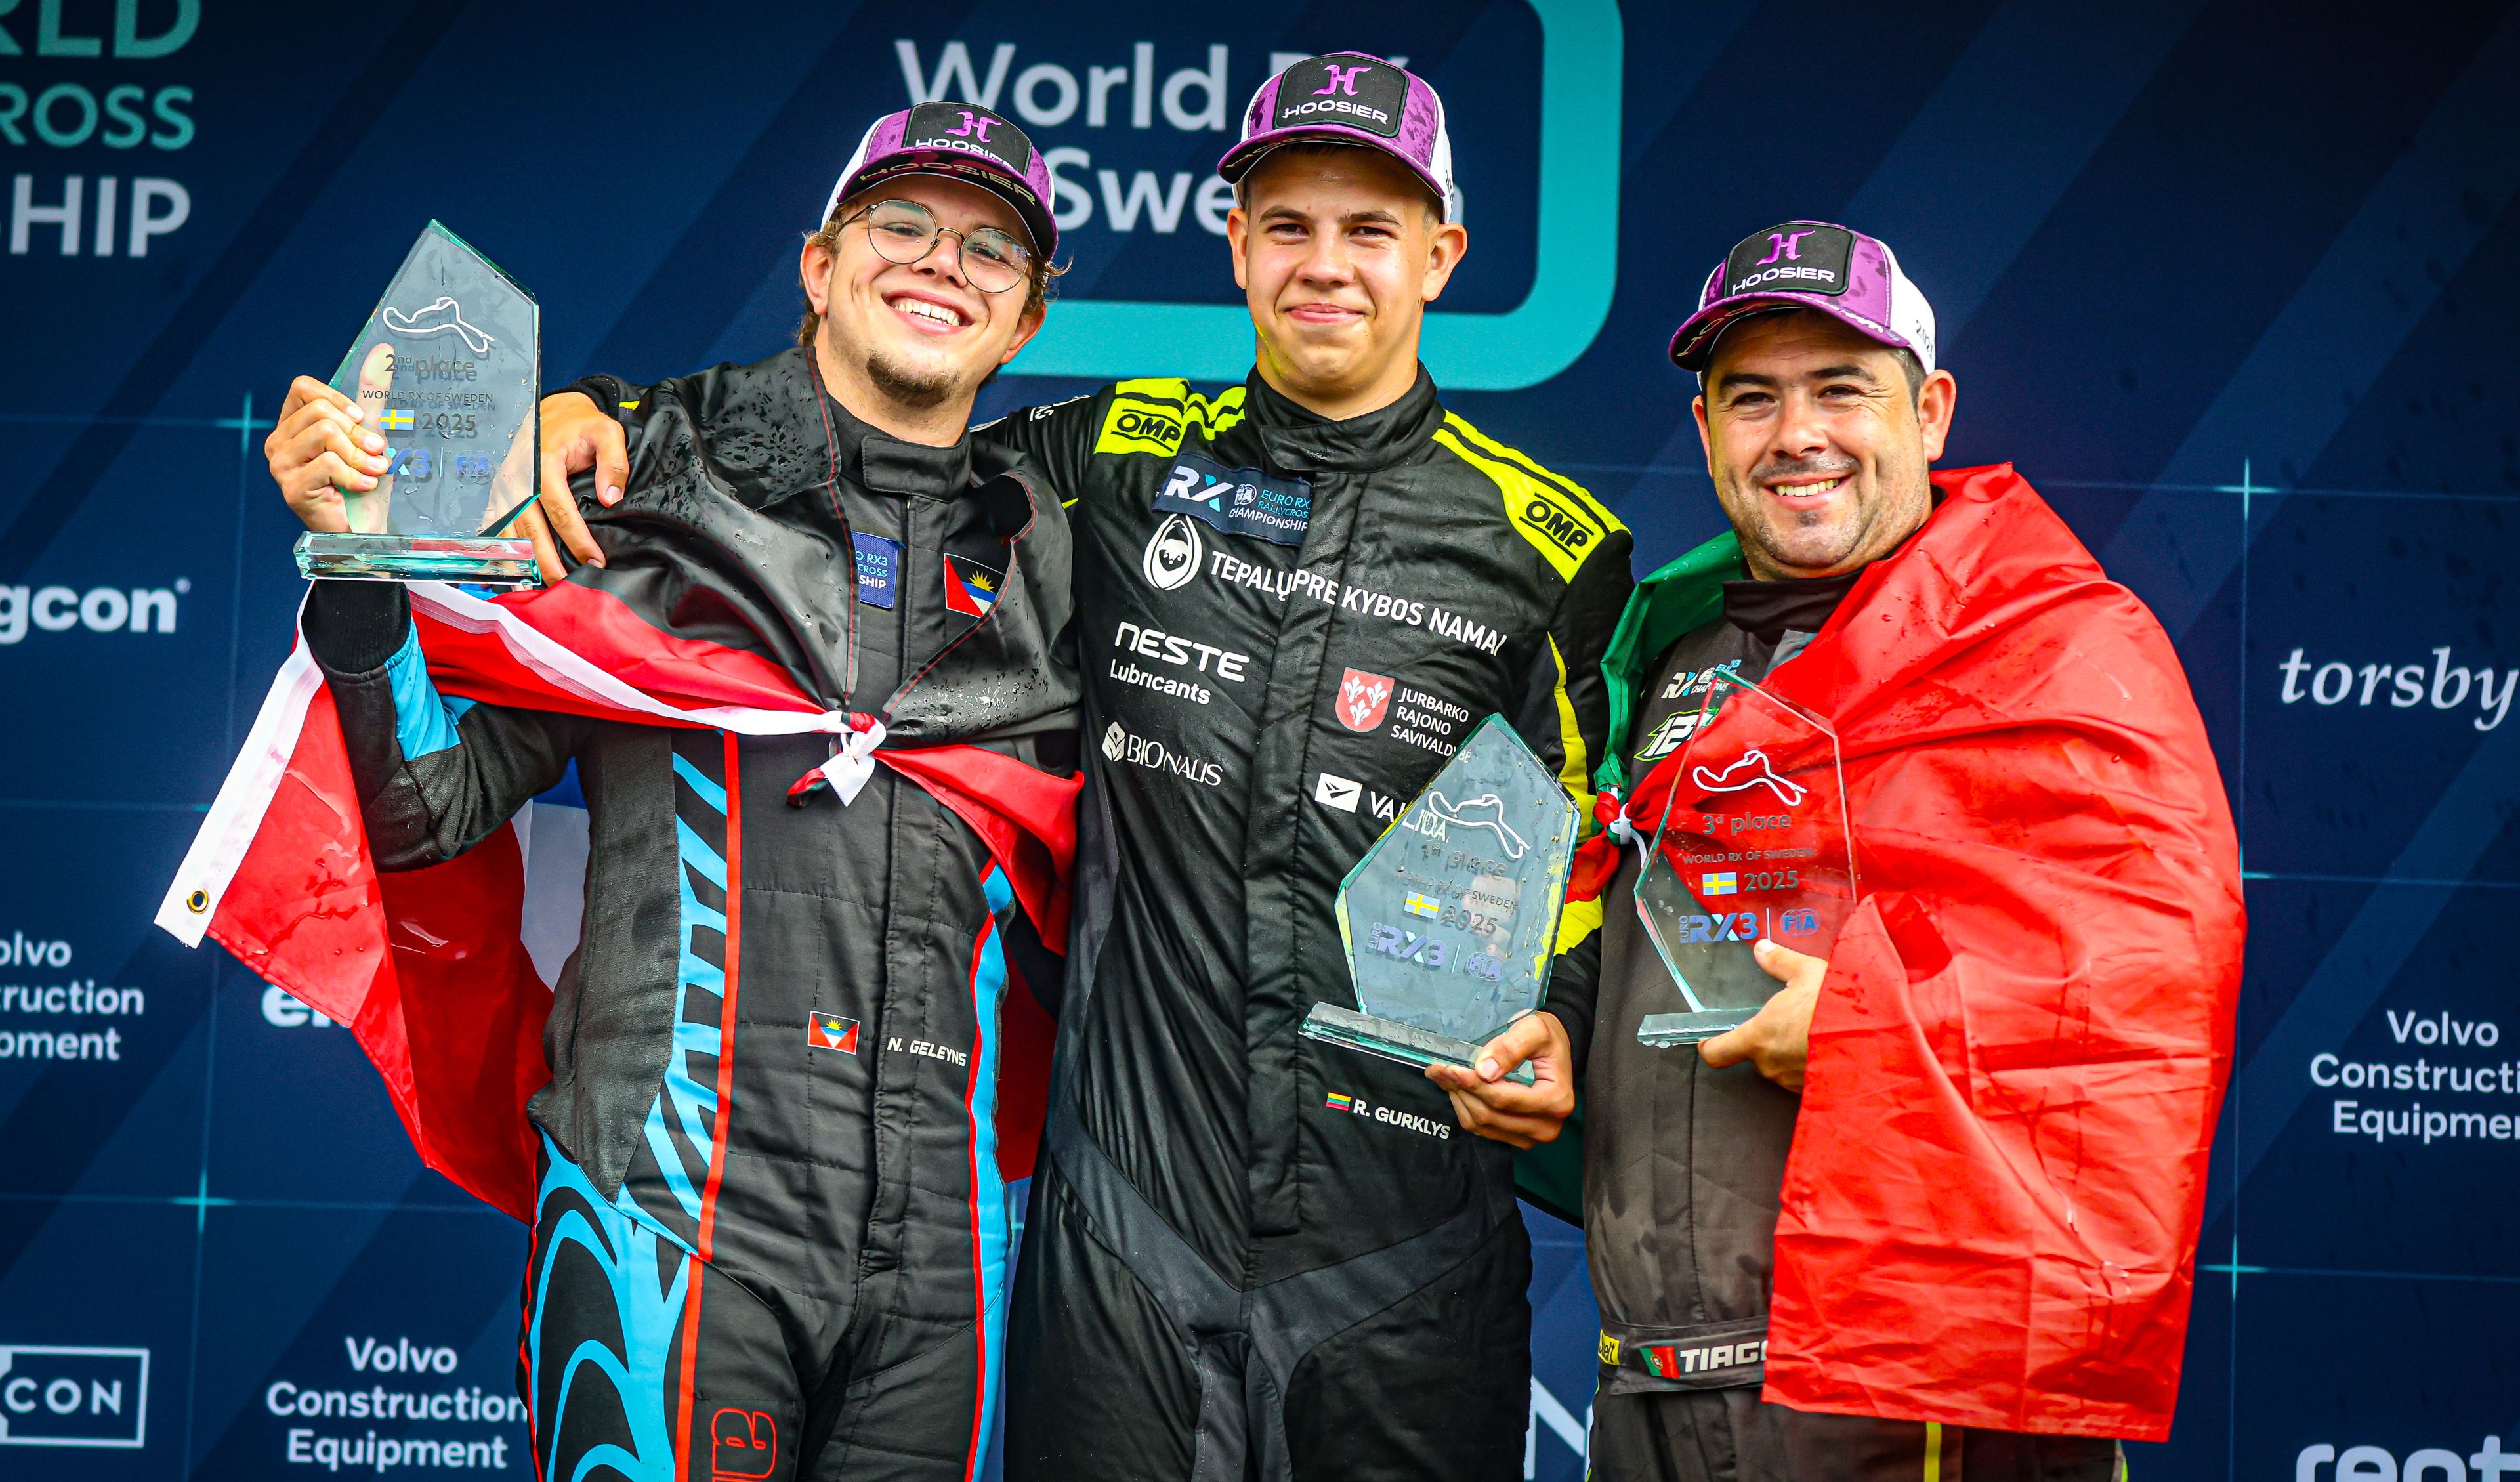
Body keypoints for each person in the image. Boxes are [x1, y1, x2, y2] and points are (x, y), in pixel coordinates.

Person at [525, 50, 1631, 1482]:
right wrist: (602, 411)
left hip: (1406, 1256)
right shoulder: (1108, 455)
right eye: (1287, 224)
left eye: (1370, 229)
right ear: (1234, 242)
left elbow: (1594, 868)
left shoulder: (1552, 549)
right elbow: (862, 440)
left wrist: (1562, 1017)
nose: (1326, 265)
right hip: (1125, 1243)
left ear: (1443, 253)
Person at [257, 102, 1078, 1482]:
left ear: (1026, 322)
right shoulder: (635, 484)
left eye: (993, 249)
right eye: (904, 225)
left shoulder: (1057, 558)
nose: (945, 263)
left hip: (949, 1257)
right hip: (673, 1216)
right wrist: (363, 566)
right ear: (819, 264)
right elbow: (429, 807)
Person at [1550, 221, 2243, 1479]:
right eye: (1750, 397)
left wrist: (1866, 1028)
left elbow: (2144, 995)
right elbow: (1623, 919)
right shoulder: (1669, 655)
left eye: (1840, 390)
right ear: (1704, 431)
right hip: (1652, 1380)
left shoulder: (2052, 646)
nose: (1796, 433)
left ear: (1929, 413)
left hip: (1906, 1391)